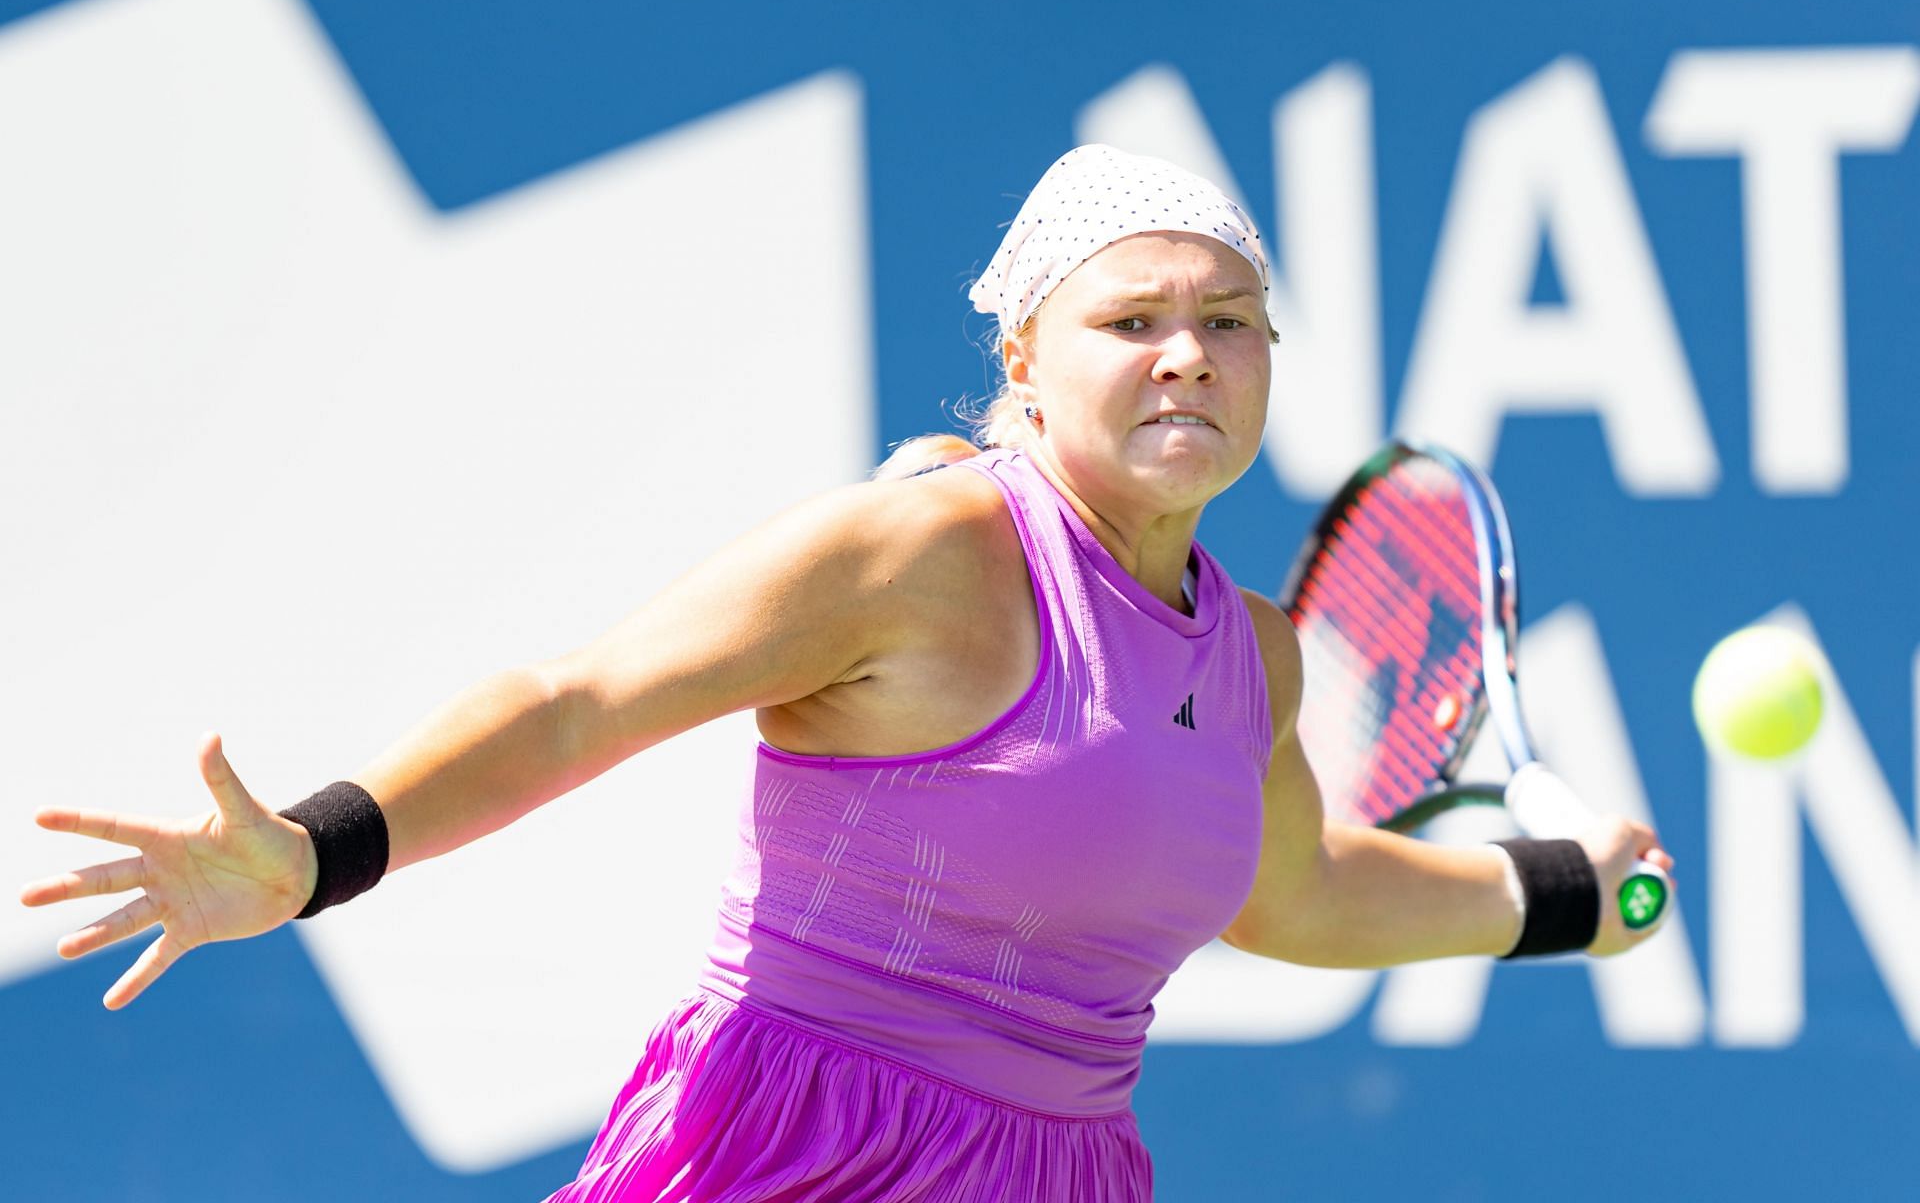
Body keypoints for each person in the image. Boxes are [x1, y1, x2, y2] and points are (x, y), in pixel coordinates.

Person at [19, 144, 1674, 1201]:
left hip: (1067, 1177)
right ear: (1025, 360)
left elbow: (1297, 895)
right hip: (785, 1150)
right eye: (1134, 321)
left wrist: (1552, 898)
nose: (1191, 352)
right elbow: (577, 703)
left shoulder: (1251, 657)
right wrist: (316, 850)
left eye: (1232, 320)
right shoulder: (925, 555)